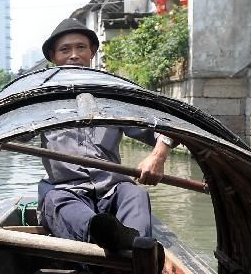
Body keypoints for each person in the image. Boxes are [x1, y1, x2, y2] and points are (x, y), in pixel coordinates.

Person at [35, 18, 174, 253]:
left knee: (135, 193)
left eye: (80, 47)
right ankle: (112, 243)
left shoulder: (113, 97)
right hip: (67, 191)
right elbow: (5, 136)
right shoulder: (40, 102)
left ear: (92, 52)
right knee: (57, 201)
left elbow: (167, 128)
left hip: (112, 191)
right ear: (53, 57)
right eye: (65, 49)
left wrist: (158, 157)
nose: (73, 55)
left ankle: (137, 252)